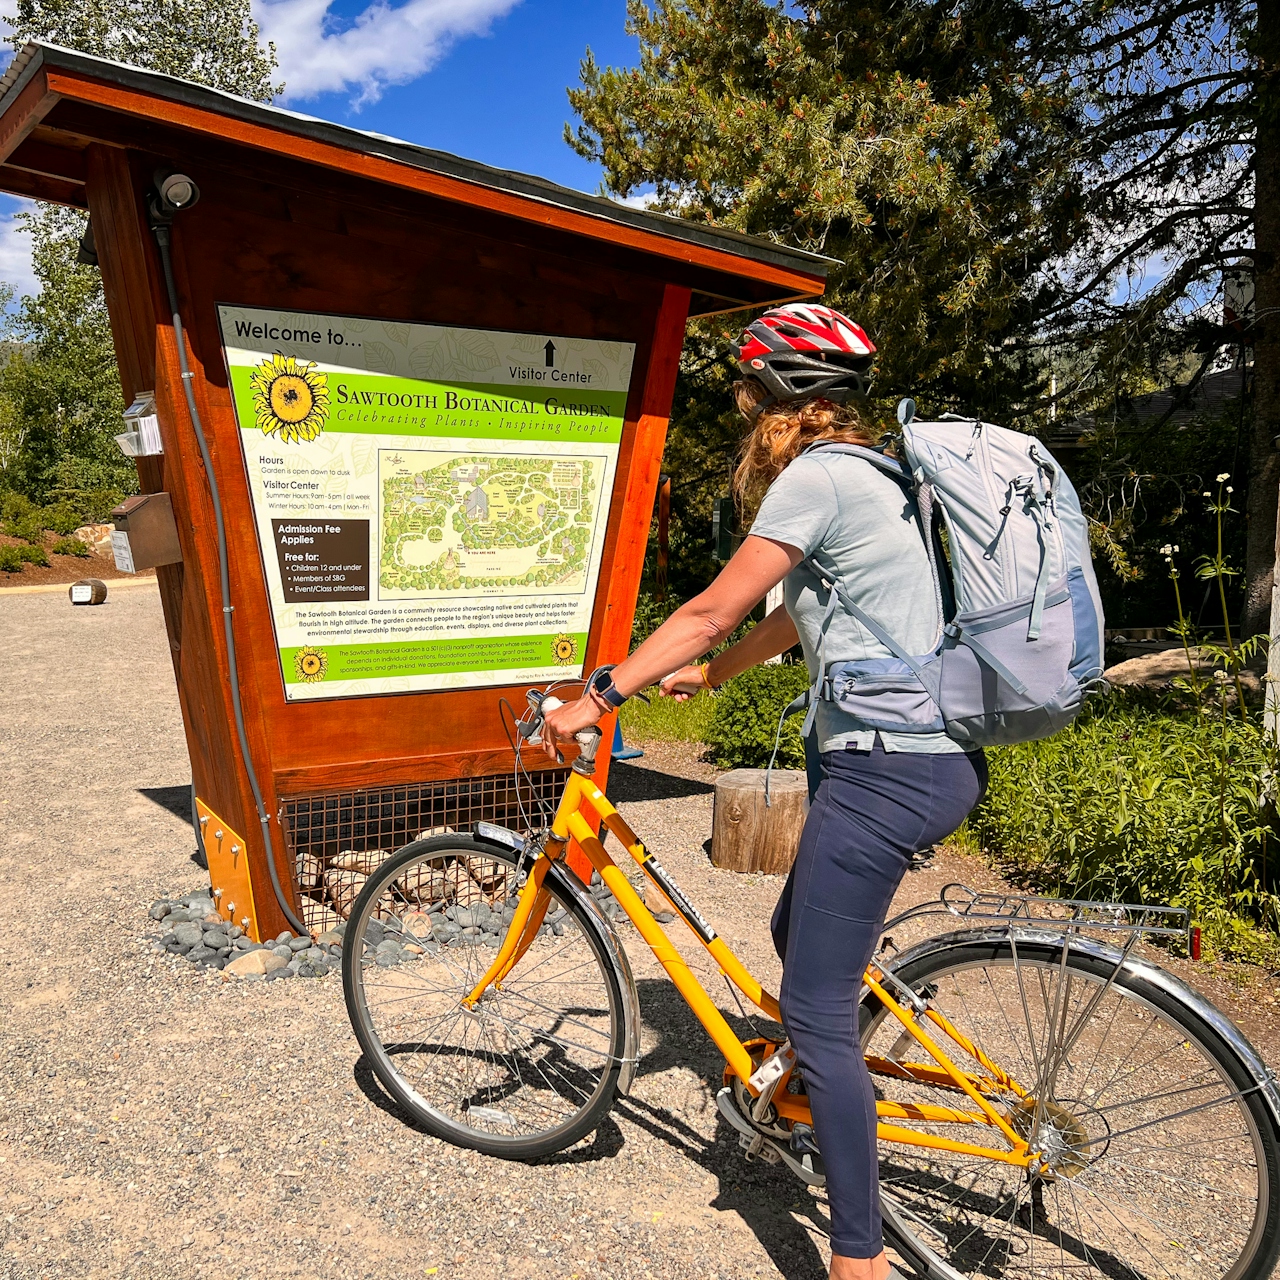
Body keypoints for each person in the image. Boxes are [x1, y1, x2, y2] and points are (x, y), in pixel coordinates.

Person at [541, 303, 987, 1280]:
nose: (741, 408)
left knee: (817, 1009)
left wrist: (599, 693)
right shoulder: (878, 477)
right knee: (797, 939)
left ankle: (855, 1257)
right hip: (924, 752)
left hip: (884, 765)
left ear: (773, 398)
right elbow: (792, 615)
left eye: (745, 392)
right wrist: (717, 674)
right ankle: (819, 1082)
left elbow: (709, 607)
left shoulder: (818, 478)